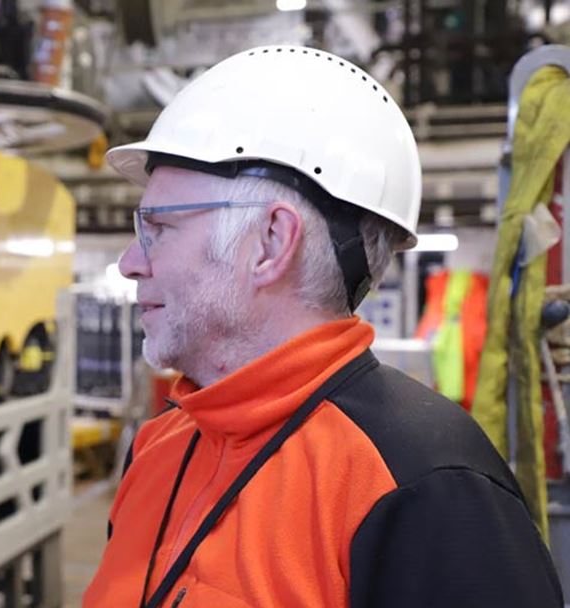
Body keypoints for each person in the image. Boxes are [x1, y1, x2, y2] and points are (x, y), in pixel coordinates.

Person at [83, 45, 562, 608]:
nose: (130, 262)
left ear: (270, 243)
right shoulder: (159, 448)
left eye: (158, 227)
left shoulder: (424, 486)